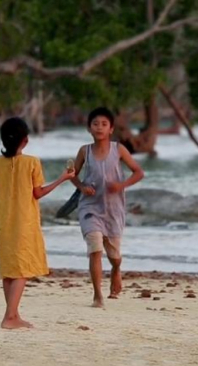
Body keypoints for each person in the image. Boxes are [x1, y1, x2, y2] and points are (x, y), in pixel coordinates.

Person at [0, 117, 75, 329]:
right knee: (23, 269)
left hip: (3, 224)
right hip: (24, 224)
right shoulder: (32, 162)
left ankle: (13, 314)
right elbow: (38, 193)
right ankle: (9, 317)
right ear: (25, 141)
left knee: (9, 269)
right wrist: (63, 178)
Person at [70, 107, 144, 308]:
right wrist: (82, 186)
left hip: (113, 209)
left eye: (104, 124)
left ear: (111, 129)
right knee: (95, 248)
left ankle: (116, 271)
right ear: (89, 128)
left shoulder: (118, 149)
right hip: (89, 207)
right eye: (95, 124)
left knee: (114, 257)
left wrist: (121, 185)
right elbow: (72, 174)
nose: (99, 127)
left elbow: (138, 172)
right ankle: (97, 296)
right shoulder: (84, 151)